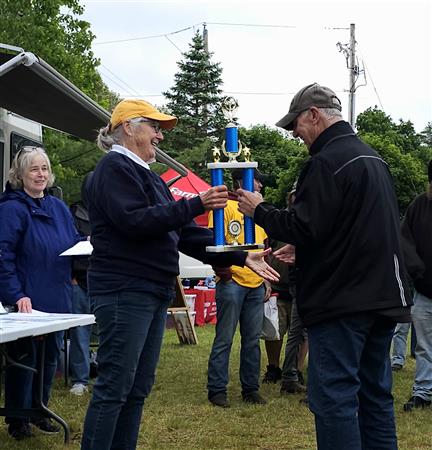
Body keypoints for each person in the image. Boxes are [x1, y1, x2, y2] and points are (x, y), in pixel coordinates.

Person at [80, 99, 278, 450]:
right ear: (128, 127)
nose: (160, 136)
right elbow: (135, 221)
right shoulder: (114, 168)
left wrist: (239, 256)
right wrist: (197, 203)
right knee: (115, 387)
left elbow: (184, 233)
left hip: (151, 290)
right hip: (126, 289)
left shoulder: (148, 176)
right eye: (155, 127)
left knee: (137, 388)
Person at [237, 83, 412, 450]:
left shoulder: (326, 161)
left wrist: (259, 210)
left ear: (314, 115)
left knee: (335, 399)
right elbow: (359, 231)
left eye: (295, 125)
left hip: (342, 303)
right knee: (375, 397)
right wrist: (305, 249)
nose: (294, 134)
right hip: (381, 298)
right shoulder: (373, 159)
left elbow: (304, 225)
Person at [0, 146, 80, 440]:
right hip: (26, 300)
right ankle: (18, 419)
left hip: (57, 295)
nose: (40, 174)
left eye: (44, 168)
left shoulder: (58, 207)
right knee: (25, 361)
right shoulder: (11, 209)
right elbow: (3, 256)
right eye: (34, 169)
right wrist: (15, 294)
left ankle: (40, 410)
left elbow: (73, 242)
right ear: (20, 174)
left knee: (49, 358)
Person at [207, 168, 270, 408]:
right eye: (257, 181)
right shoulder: (224, 206)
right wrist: (225, 273)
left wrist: (265, 280)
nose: (260, 186)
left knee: (252, 340)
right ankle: (217, 389)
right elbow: (214, 242)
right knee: (224, 338)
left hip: (255, 284)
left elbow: (264, 248)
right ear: (241, 182)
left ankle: (251, 389)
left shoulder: (257, 211)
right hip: (232, 282)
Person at [401, 160, 432, 411]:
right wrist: (416, 269)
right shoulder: (419, 206)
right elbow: (404, 240)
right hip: (425, 292)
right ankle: (423, 392)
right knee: (424, 346)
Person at [69, 172, 94, 396]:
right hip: (79, 280)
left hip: (107, 281)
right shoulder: (73, 213)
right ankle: (80, 380)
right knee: (79, 333)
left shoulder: (113, 210)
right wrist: (72, 278)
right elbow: (64, 244)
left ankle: (109, 376)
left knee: (112, 333)